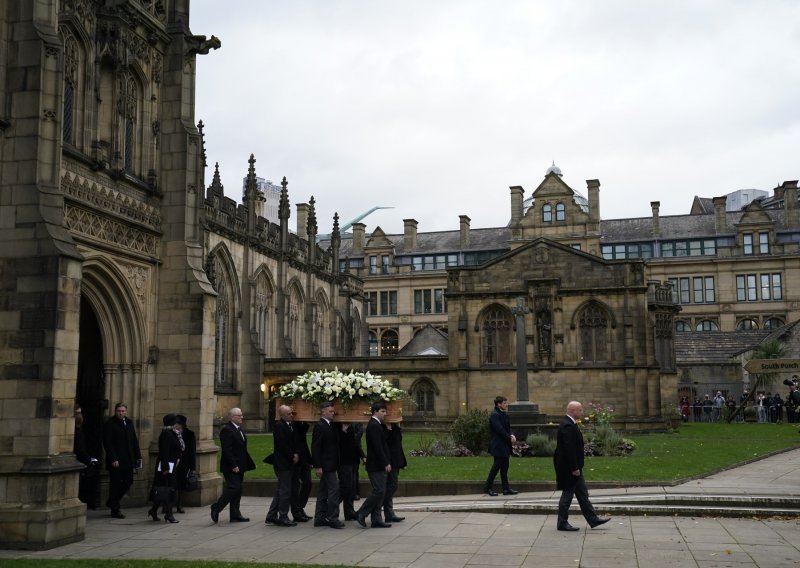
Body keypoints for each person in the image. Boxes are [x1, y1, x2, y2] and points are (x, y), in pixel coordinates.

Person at [553, 401, 610, 532]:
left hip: (574, 467)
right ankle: (562, 523)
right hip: (570, 469)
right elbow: (569, 450)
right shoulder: (568, 425)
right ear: (573, 411)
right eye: (580, 410)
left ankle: (593, 519)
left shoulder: (569, 423)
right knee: (567, 495)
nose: (582, 412)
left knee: (583, 494)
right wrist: (574, 468)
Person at [210, 407, 256, 523]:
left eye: (242, 415)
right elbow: (227, 450)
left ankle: (235, 514)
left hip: (240, 465)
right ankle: (217, 507)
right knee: (233, 487)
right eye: (239, 416)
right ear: (232, 417)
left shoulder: (239, 429)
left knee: (238, 489)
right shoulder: (227, 430)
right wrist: (233, 465)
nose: (242, 417)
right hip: (231, 466)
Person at [355, 401, 393, 528]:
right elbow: (378, 447)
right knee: (379, 490)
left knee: (381, 492)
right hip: (376, 465)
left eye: (385, 411)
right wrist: (385, 462)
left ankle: (376, 519)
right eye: (382, 411)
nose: (385, 414)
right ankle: (361, 513)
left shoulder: (377, 425)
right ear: (375, 412)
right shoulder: (374, 426)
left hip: (377, 464)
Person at [102, 402, 142, 519]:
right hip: (116, 461)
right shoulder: (110, 424)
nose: (121, 413)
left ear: (126, 411)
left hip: (128, 459)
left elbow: (134, 441)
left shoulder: (129, 423)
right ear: (115, 411)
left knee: (128, 481)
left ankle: (112, 501)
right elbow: (107, 443)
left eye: (123, 411)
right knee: (115, 484)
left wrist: (138, 457)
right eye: (119, 411)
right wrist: (113, 458)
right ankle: (115, 510)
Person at [311, 401, 344, 528]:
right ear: (323, 412)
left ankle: (319, 518)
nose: (333, 413)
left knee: (323, 492)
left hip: (330, 464)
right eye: (330, 411)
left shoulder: (330, 425)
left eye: (333, 411)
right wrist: (318, 466)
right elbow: (316, 447)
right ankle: (333, 518)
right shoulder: (320, 426)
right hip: (326, 465)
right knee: (334, 491)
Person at [266, 405, 298, 527]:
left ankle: (271, 515)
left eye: (292, 413)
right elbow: (282, 445)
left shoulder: (290, 425)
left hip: (287, 463)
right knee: (285, 491)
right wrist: (293, 455)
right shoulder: (279, 426)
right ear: (282, 415)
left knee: (281, 491)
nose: (292, 415)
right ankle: (283, 516)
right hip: (283, 464)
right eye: (289, 414)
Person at [148, 414, 184, 523]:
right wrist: (165, 468)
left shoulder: (172, 433)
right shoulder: (166, 434)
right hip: (165, 467)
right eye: (175, 422)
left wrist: (178, 457)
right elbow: (164, 452)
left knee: (165, 490)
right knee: (167, 490)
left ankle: (154, 510)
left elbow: (176, 448)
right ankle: (169, 514)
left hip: (171, 466)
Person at [483, 396, 517, 496]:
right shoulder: (495, 415)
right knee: (496, 467)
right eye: (505, 403)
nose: (507, 405)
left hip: (505, 445)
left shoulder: (504, 414)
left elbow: (507, 428)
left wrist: (512, 434)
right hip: (498, 445)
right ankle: (487, 487)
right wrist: (509, 437)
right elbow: (499, 429)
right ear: (499, 404)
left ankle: (506, 489)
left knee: (505, 467)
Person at [337, 422, 364, 521]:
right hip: (343, 462)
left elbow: (354, 442)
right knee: (345, 487)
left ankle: (349, 512)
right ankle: (331, 511)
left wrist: (362, 456)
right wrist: (343, 431)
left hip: (353, 460)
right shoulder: (337, 426)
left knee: (351, 488)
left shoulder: (351, 426)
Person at [73, 406, 99, 507]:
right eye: (77, 413)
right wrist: (89, 460)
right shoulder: (78, 433)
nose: (80, 415)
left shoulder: (78, 432)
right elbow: (80, 450)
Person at [383, 421, 407, 523]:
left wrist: (402, 462)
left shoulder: (395, 428)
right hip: (389, 462)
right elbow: (388, 444)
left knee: (391, 486)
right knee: (392, 485)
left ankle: (389, 514)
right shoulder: (384, 428)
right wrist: (389, 429)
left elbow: (398, 444)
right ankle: (378, 504)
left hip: (395, 461)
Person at [290, 418, 313, 523]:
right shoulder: (292, 425)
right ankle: (296, 512)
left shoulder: (300, 424)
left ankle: (300, 508)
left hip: (304, 458)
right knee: (295, 487)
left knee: (308, 483)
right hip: (296, 459)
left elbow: (303, 441)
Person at [174, 414, 196, 513]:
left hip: (184, 463)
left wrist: (192, 466)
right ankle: (167, 504)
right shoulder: (171, 433)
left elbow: (192, 451)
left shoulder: (189, 434)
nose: (176, 425)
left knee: (181, 485)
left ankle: (179, 504)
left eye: (178, 423)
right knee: (171, 484)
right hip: (173, 462)